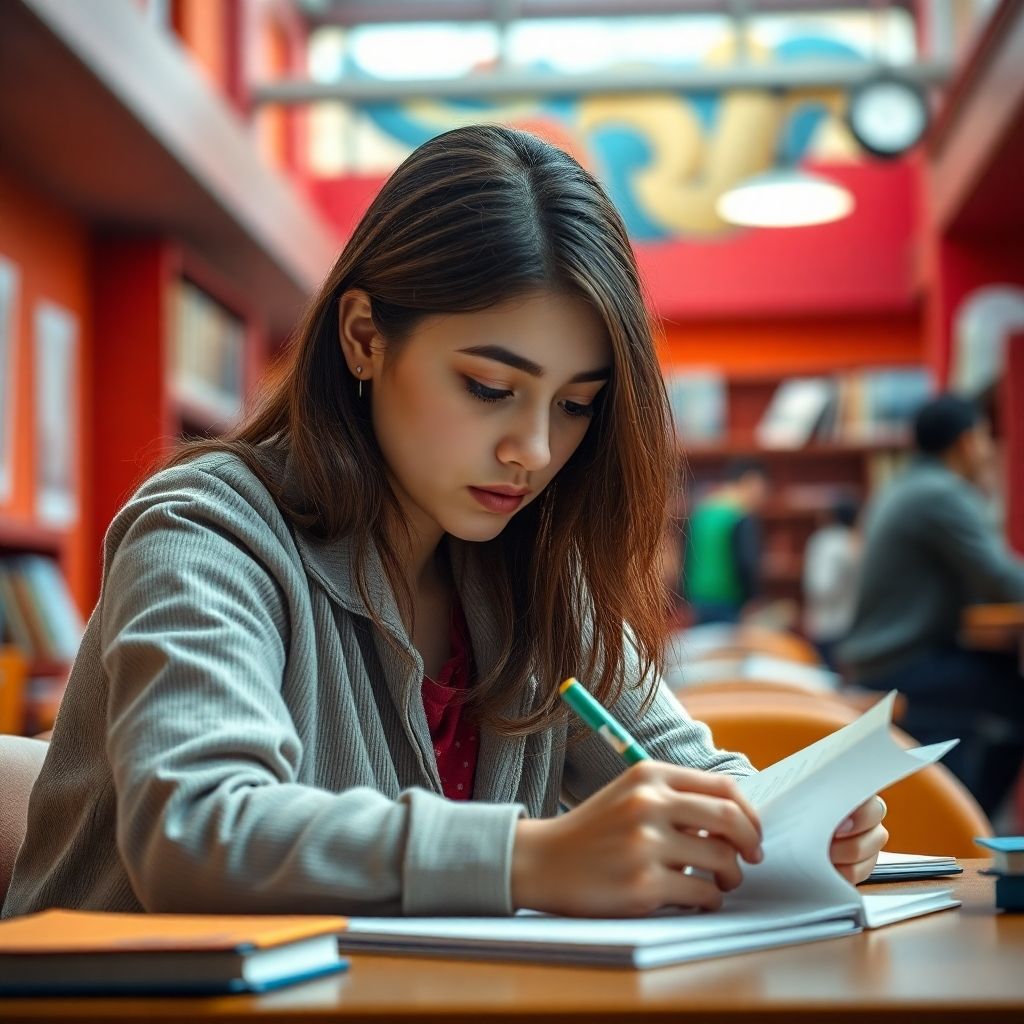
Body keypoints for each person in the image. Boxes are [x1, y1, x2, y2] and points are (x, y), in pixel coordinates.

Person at [2, 126, 885, 922]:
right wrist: (532, 859)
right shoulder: (207, 532)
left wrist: (776, 822)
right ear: (363, 336)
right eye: (490, 389)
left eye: (576, 406)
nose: (533, 451)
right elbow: (196, 832)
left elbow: (680, 770)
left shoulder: (531, 568)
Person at [838, 394, 1024, 817]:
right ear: (966, 442)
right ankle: (975, 820)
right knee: (1015, 694)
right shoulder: (940, 493)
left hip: (879, 658)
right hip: (904, 664)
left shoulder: (903, 486)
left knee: (1007, 689)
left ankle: (974, 815)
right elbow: (1000, 579)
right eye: (985, 438)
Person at [683, 458, 769, 625]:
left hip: (698, 598)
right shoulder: (740, 514)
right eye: (762, 488)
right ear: (749, 481)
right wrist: (753, 598)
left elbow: (686, 556)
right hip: (729, 600)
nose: (762, 496)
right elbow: (747, 563)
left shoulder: (702, 511)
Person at [802, 495, 861, 669]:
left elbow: (819, 586)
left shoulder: (823, 540)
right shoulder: (851, 541)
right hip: (845, 621)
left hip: (827, 622)